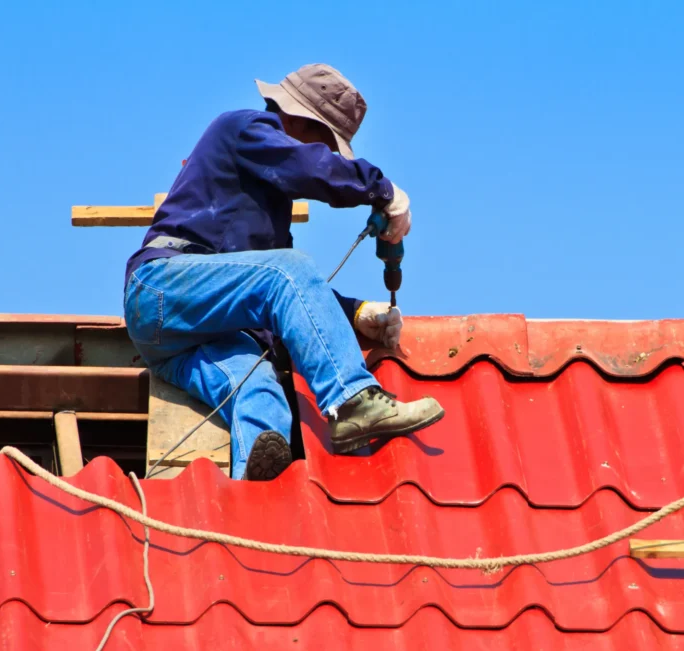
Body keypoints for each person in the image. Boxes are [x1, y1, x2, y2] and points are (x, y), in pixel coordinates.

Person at [122, 64, 445, 482]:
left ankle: (256, 500)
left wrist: (357, 312)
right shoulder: (244, 128)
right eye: (325, 142)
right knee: (288, 269)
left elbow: (286, 296)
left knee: (258, 389)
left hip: (183, 340)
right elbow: (308, 170)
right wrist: (380, 188)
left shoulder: (267, 211)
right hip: (163, 288)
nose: (327, 154)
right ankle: (351, 400)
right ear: (300, 120)